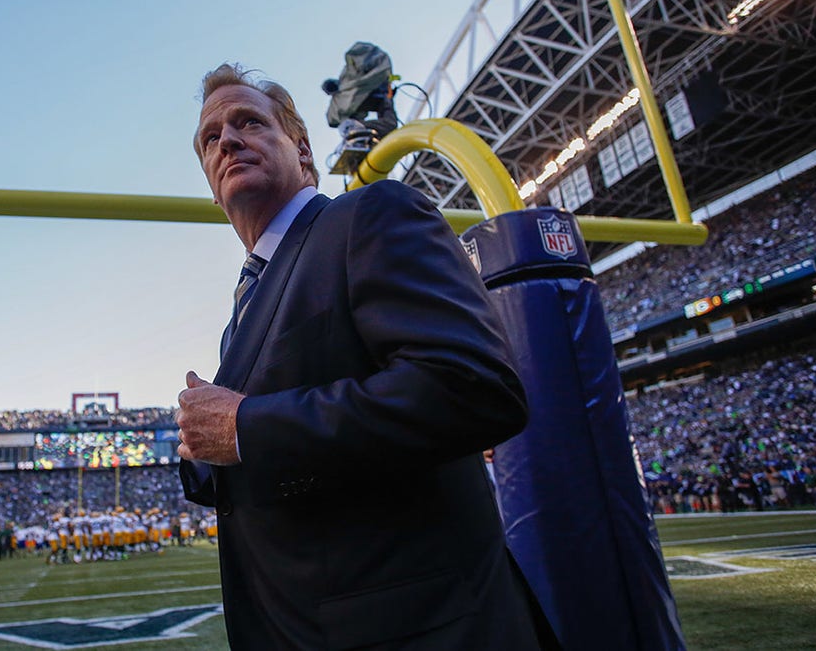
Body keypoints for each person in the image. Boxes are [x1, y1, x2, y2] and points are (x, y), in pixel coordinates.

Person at [177, 63, 553, 649]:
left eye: (249, 121)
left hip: (419, 629)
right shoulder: (246, 302)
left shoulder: (369, 215)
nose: (226, 139)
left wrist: (247, 427)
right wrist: (205, 450)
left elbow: (473, 386)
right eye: (210, 137)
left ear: (302, 151)